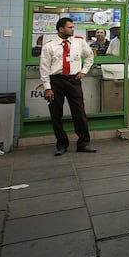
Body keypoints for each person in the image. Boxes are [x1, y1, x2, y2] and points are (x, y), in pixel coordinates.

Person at [39, 17, 97, 155]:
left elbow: (89, 56)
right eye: (70, 27)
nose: (73, 29)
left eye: (73, 27)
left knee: (79, 112)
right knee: (56, 113)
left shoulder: (79, 42)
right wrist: (47, 87)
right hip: (56, 81)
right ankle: (61, 144)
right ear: (61, 29)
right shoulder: (49, 46)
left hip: (73, 80)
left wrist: (84, 71)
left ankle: (83, 143)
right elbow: (44, 68)